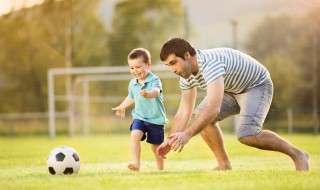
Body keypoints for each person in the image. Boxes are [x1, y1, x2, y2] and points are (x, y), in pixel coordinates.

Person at [156, 37, 309, 171]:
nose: (172, 69)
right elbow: (184, 111)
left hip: (256, 85)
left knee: (247, 135)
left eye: (173, 63)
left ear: (187, 55)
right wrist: (170, 140)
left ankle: (298, 154)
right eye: (168, 65)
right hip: (231, 89)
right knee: (199, 115)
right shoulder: (185, 75)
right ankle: (224, 165)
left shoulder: (210, 64)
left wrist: (188, 134)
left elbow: (213, 109)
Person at [112, 48, 167, 171]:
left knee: (155, 147)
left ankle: (160, 168)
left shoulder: (154, 80)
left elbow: (156, 91)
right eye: (132, 68)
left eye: (138, 67)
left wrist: (149, 93)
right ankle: (136, 164)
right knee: (135, 135)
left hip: (155, 119)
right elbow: (131, 97)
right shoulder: (132, 83)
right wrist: (122, 106)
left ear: (148, 65)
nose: (135, 71)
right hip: (140, 116)